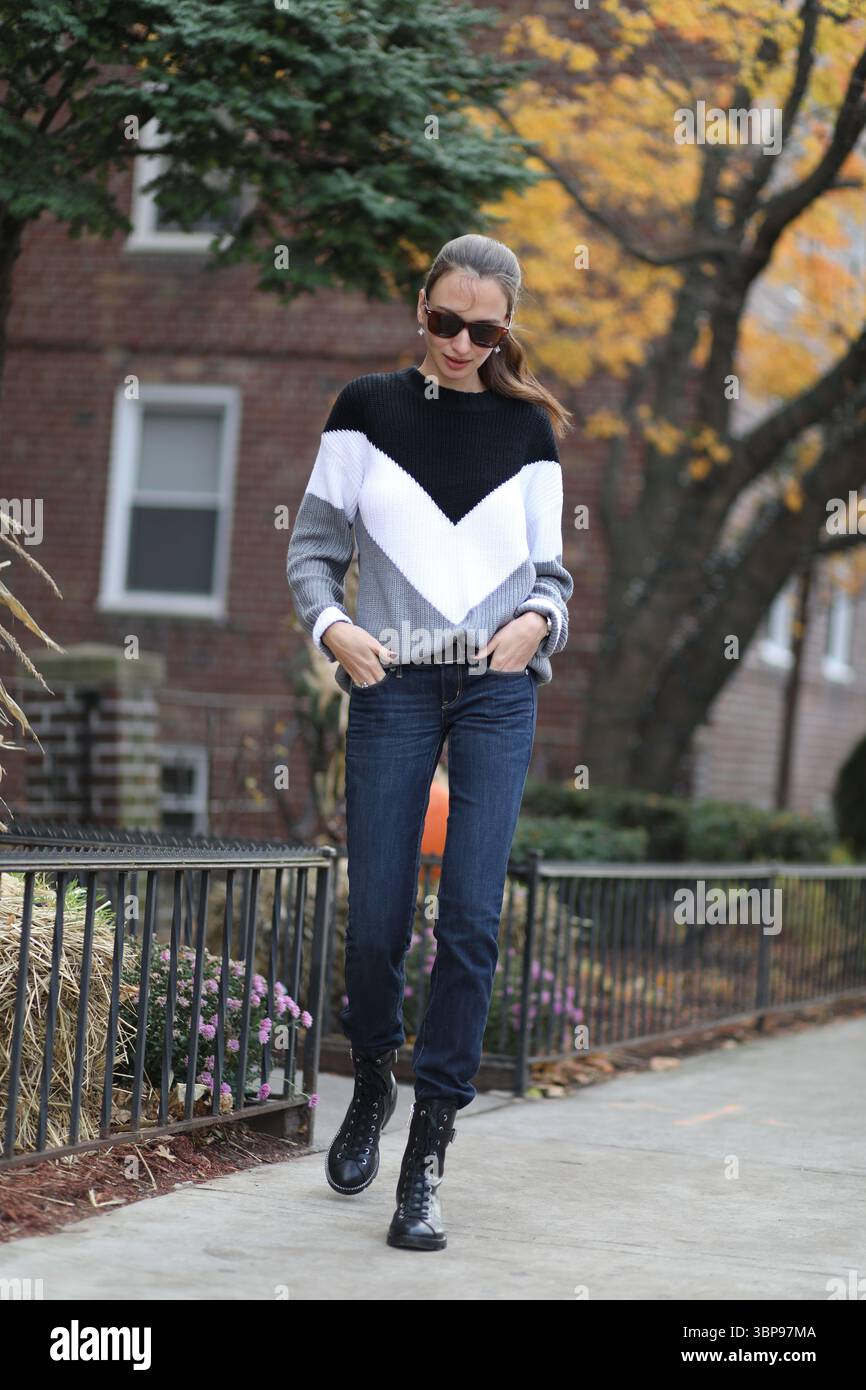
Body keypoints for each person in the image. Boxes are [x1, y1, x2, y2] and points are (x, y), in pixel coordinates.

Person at [286, 233, 574, 1251]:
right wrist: (335, 630)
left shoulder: (529, 431)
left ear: (504, 328)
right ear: (420, 307)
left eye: (481, 328)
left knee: (471, 921)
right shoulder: (365, 411)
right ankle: (370, 1077)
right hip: (391, 680)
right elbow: (313, 552)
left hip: (496, 688)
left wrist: (537, 621)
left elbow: (552, 576)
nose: (460, 343)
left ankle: (427, 1155)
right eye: (445, 321)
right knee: (373, 920)